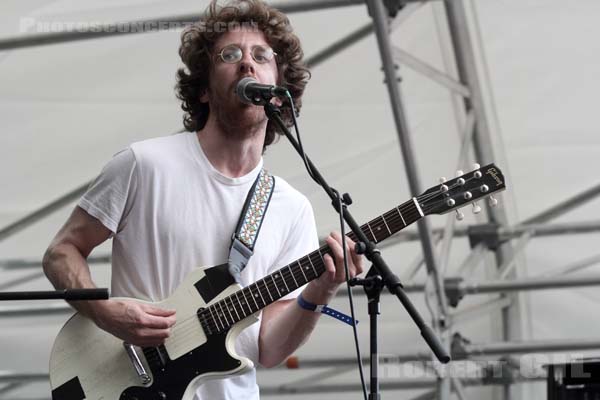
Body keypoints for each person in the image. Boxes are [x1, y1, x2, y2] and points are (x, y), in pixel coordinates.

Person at [43, 0, 363, 399]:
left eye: (261, 56)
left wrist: (323, 290)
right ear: (204, 90)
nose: (248, 63)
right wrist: (106, 315)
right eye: (230, 55)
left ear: (279, 96)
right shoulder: (145, 164)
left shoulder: (291, 207)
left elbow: (269, 347)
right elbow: (61, 252)